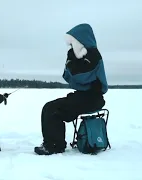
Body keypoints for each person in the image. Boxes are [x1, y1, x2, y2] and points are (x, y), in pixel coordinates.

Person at [34, 23, 108, 155]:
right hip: (81, 96)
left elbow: (80, 78)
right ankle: (53, 143)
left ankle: (54, 145)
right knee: (49, 108)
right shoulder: (77, 56)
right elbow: (68, 78)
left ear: (80, 40)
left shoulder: (93, 55)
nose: (70, 46)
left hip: (92, 99)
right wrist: (72, 64)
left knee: (52, 109)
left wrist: (71, 65)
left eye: (72, 43)